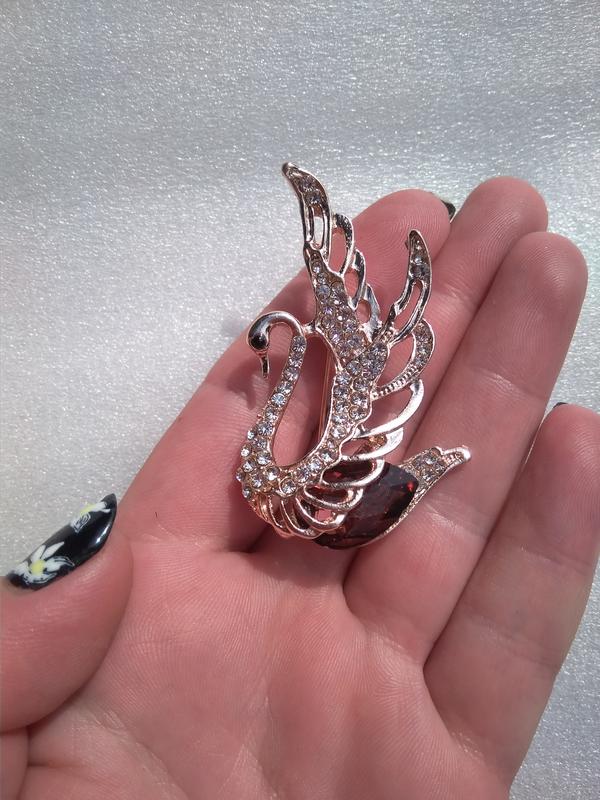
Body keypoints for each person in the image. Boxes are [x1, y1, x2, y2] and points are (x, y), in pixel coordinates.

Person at [2, 177, 598, 799]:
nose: (275, 363)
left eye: (274, 347)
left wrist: (312, 301)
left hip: (350, 506)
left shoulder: (308, 447)